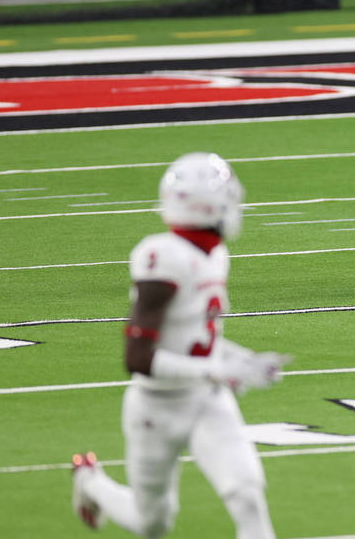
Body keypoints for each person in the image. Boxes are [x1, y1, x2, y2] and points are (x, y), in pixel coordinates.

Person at [70, 153, 290, 537]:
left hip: (206, 400)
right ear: (209, 203)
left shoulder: (215, 253)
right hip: (157, 405)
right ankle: (90, 481)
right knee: (152, 522)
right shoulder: (164, 258)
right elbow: (137, 358)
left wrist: (243, 361)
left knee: (248, 496)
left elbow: (199, 338)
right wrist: (218, 370)